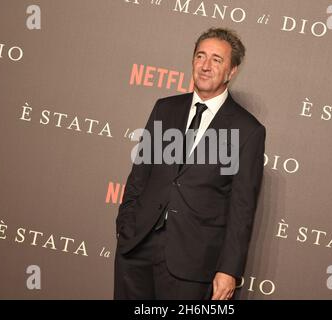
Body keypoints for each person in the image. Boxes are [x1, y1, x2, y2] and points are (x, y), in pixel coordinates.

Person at [114, 27, 266, 300]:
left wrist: (229, 270)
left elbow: (242, 209)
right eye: (200, 56)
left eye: (216, 60)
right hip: (137, 249)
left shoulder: (247, 130)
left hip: (193, 263)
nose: (205, 66)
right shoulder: (165, 109)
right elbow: (139, 176)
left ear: (232, 71)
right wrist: (125, 227)